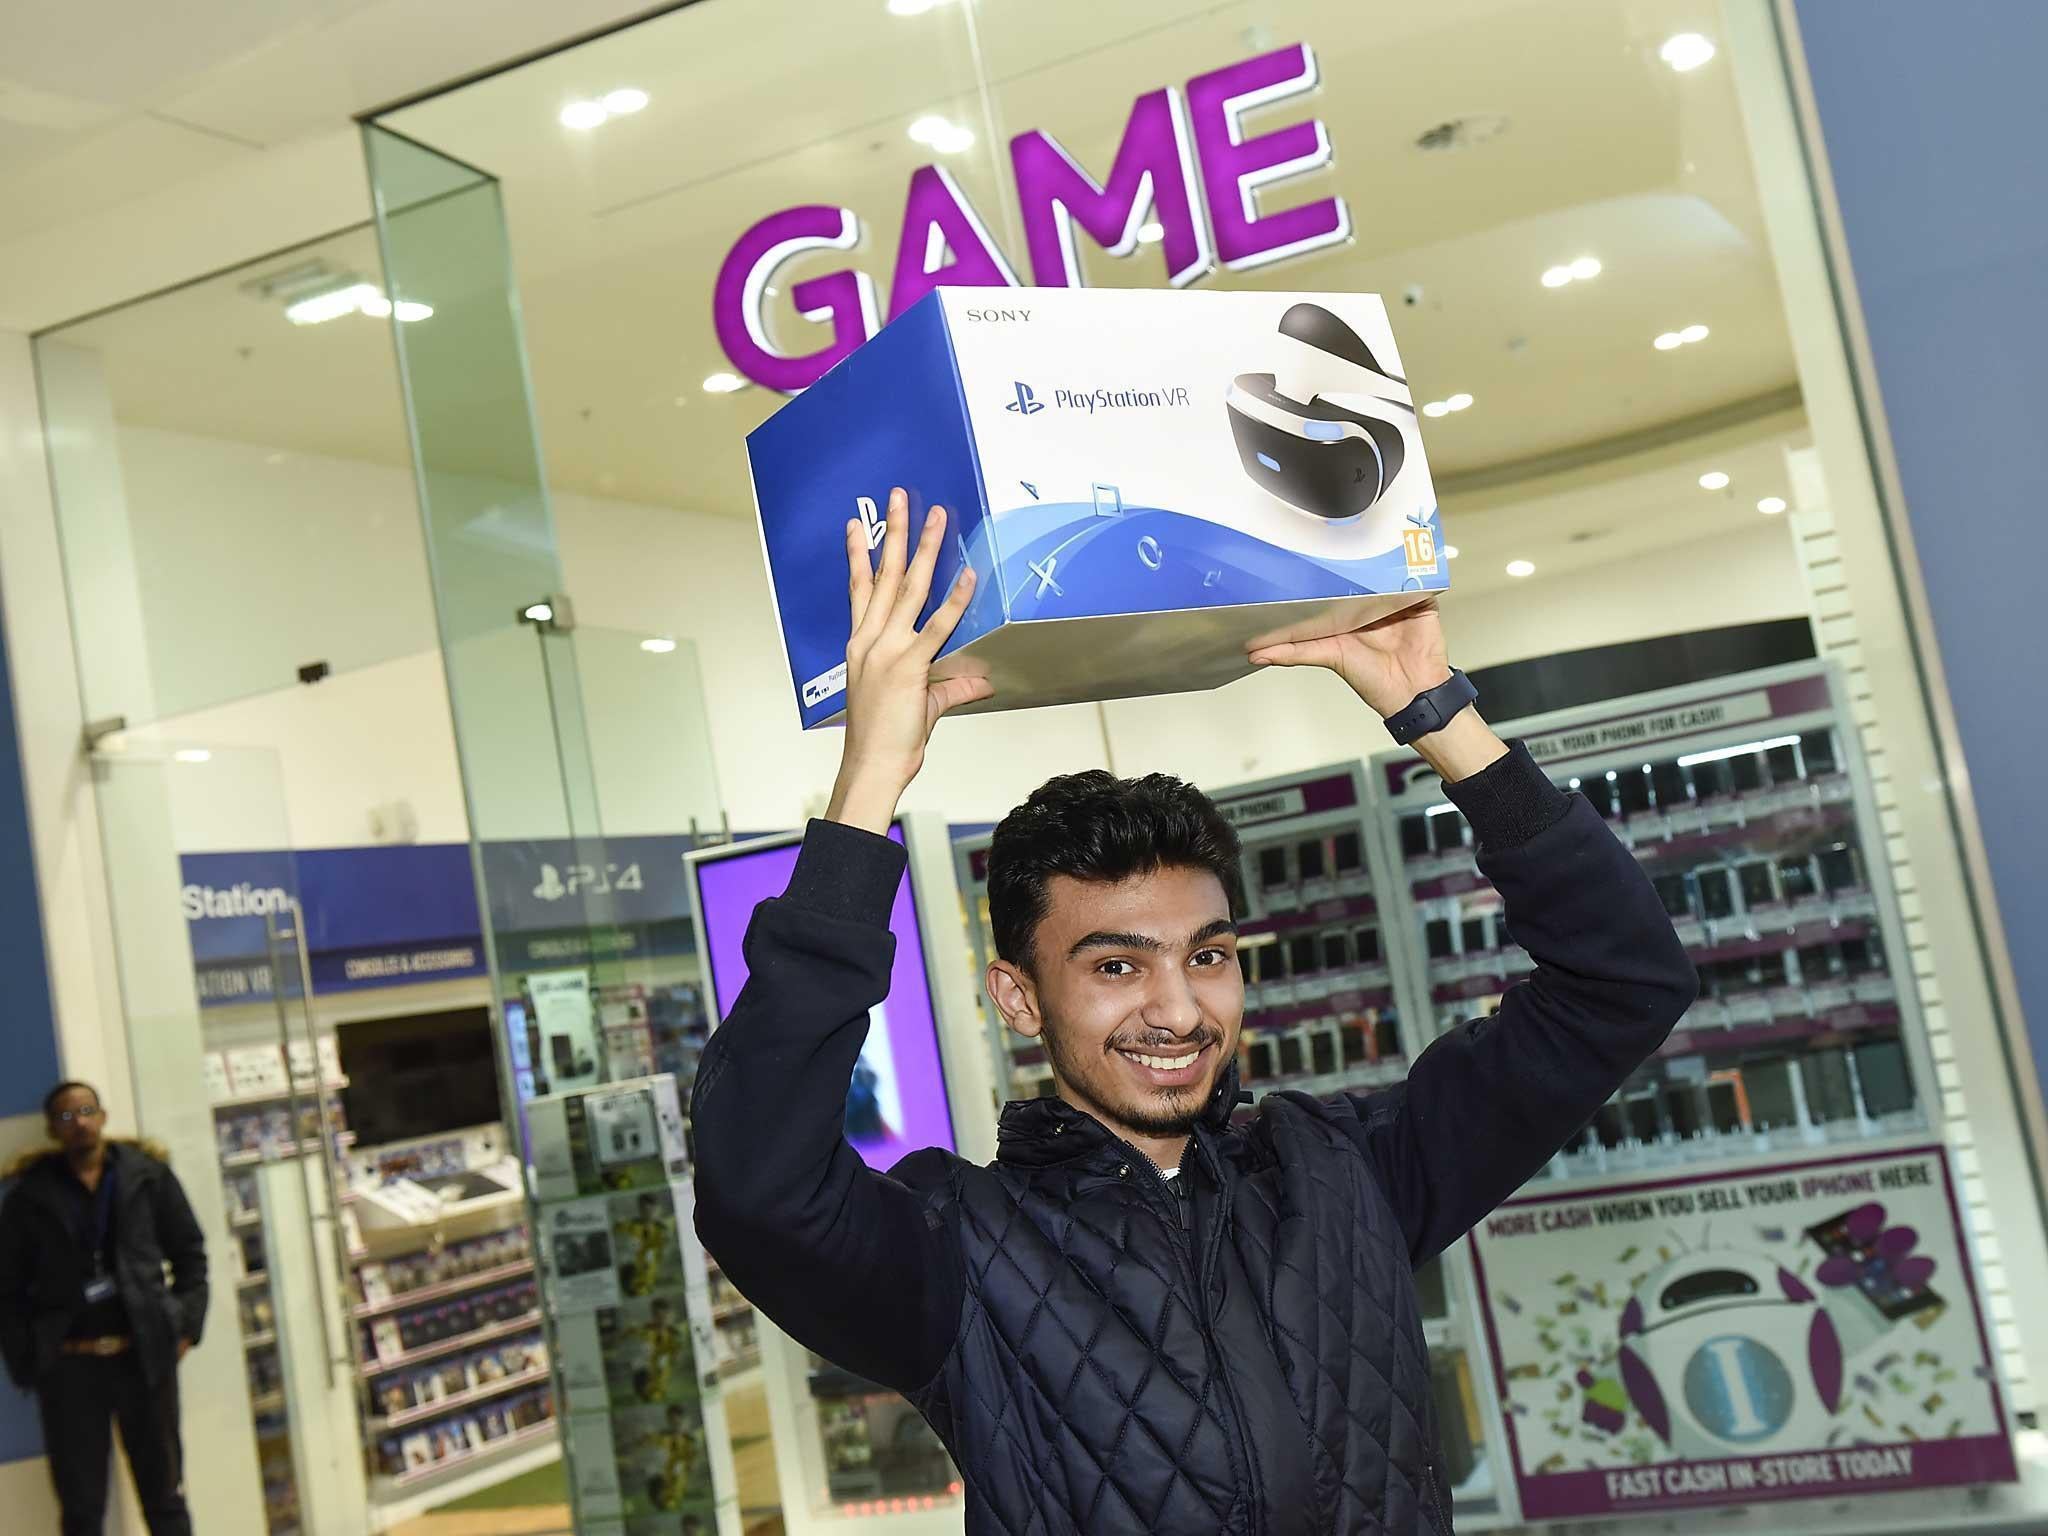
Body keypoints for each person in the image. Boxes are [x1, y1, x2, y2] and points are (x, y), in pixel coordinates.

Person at [691, 492, 1698, 1534]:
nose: (1177, 1009)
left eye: (1206, 956)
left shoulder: (1354, 1172)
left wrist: (1436, 711)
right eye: (1116, 968)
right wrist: (866, 786)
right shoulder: (958, 1256)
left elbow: (1619, 983)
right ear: (1018, 997)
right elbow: (755, 1186)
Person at [0, 1082, 208, 1536]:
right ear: (53, 1130)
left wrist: (185, 1326)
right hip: (71, 1366)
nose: (80, 1123)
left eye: (88, 1111)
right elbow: (7, 1290)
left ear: (104, 1115)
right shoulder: (27, 1199)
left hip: (145, 1359)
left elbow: (191, 1254)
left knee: (165, 1496)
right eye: (67, 1117)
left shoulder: (148, 1178)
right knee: (80, 1507)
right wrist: (30, 1359)